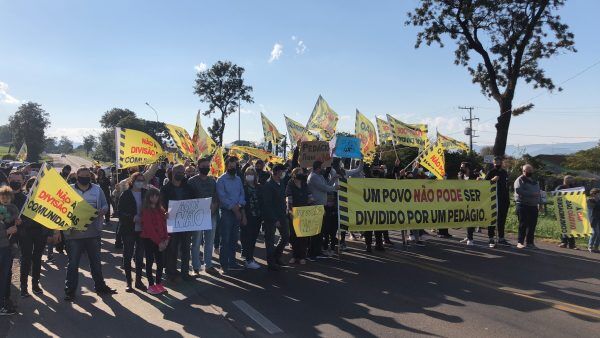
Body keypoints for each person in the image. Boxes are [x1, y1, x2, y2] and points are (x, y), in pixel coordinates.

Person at [64, 167, 116, 301]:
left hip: (93, 233)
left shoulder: (97, 189)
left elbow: (105, 205)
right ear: (77, 177)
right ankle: (70, 291)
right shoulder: (69, 189)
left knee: (96, 263)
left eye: (88, 175)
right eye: (82, 176)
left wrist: (102, 211)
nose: (85, 177)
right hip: (74, 234)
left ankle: (100, 286)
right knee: (73, 264)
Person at [8, 172, 48, 298]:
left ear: (23, 181)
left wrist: (23, 221)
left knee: (37, 259)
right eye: (13, 180)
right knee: (25, 260)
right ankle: (23, 287)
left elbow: (39, 216)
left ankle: (35, 284)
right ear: (8, 180)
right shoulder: (5, 197)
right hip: (23, 235)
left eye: (18, 180)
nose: (16, 182)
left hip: (38, 233)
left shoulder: (28, 198)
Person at [160, 164, 195, 282]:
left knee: (186, 249)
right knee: (172, 249)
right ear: (172, 173)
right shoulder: (165, 189)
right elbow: (161, 205)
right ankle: (171, 272)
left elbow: (194, 203)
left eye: (182, 171)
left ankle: (185, 272)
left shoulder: (189, 188)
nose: (181, 173)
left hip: (186, 224)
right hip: (172, 224)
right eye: (178, 171)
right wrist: (164, 213)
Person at [188, 157, 219, 275]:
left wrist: (213, 207)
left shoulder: (212, 181)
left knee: (209, 241)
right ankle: (195, 266)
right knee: (196, 241)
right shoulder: (192, 181)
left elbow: (216, 196)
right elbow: (189, 198)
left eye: (208, 166)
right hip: (197, 216)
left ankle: (208, 265)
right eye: (203, 166)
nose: (206, 168)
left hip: (212, 215)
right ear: (198, 167)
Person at [117, 172, 147, 292]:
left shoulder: (146, 194)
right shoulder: (126, 194)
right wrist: (132, 218)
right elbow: (120, 212)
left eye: (142, 180)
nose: (140, 182)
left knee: (139, 257)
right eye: (138, 180)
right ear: (132, 181)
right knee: (128, 256)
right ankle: (129, 282)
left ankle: (138, 281)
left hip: (142, 230)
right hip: (128, 229)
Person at [216, 157, 246, 273]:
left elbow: (242, 194)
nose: (233, 168)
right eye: (231, 165)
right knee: (225, 239)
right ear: (227, 166)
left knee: (234, 239)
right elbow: (222, 198)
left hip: (236, 212)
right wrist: (235, 208)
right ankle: (224, 265)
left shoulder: (238, 179)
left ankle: (232, 262)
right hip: (227, 212)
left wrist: (239, 206)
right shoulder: (221, 180)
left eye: (235, 166)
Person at [140, 187, 169, 294]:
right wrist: (160, 242)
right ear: (148, 197)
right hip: (149, 239)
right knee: (150, 262)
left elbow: (164, 225)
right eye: (152, 196)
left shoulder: (160, 209)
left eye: (157, 196)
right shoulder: (146, 210)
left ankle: (158, 283)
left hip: (161, 240)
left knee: (160, 262)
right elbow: (149, 229)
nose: (155, 198)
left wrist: (166, 238)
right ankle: (151, 285)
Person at [261, 164, 289, 270]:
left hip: (282, 215)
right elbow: (267, 205)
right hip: (271, 217)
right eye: (282, 171)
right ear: (276, 172)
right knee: (270, 240)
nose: (283, 173)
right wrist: (274, 219)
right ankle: (271, 262)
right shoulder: (268, 185)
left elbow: (282, 198)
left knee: (286, 236)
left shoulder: (281, 182)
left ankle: (277, 256)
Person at [307, 161, 336, 260]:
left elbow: (327, 184)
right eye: (322, 167)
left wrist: (334, 179)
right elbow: (324, 188)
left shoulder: (320, 176)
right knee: (315, 232)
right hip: (315, 206)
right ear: (318, 168)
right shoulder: (313, 176)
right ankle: (311, 254)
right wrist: (334, 188)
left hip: (321, 206)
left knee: (320, 231)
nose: (324, 169)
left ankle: (317, 251)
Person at [286, 167, 312, 264]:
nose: (302, 174)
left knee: (303, 235)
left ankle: (302, 257)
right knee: (294, 235)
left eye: (302, 173)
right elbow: (289, 198)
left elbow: (309, 196)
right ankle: (294, 255)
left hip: (304, 212)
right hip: (294, 212)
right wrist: (290, 211)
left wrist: (313, 206)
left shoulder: (305, 183)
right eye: (299, 173)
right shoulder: (290, 183)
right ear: (294, 174)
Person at [0, 186, 19, 315]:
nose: (4, 199)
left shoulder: (14, 209)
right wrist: (7, 231)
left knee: (6, 276)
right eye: (2, 196)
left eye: (7, 196)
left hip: (8, 247)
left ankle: (5, 301)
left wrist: (18, 223)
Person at [485, 156, 511, 247]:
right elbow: (485, 184)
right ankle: (491, 238)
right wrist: (492, 180)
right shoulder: (491, 172)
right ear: (493, 162)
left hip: (504, 198)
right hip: (494, 198)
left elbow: (507, 185)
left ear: (501, 162)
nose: (497, 163)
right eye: (495, 161)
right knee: (492, 219)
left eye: (499, 161)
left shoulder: (504, 172)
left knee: (502, 219)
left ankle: (501, 237)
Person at [514, 164, 541, 249]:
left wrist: (540, 203)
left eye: (531, 171)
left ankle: (530, 243)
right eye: (528, 171)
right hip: (523, 205)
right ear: (523, 171)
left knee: (532, 225)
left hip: (533, 206)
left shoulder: (534, 181)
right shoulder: (520, 180)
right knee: (523, 224)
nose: (529, 172)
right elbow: (518, 190)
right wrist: (532, 194)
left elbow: (539, 192)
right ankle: (520, 242)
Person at [241, 167, 262, 269]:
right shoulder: (243, 188)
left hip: (257, 216)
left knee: (254, 238)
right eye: (247, 174)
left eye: (252, 174)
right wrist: (243, 216)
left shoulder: (259, 187)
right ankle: (248, 260)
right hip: (248, 216)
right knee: (248, 238)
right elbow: (242, 204)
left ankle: (250, 257)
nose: (250, 176)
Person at [555, 175, 579, 249]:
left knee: (572, 226)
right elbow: (556, 195)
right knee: (564, 226)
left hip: (571, 210)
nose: (572, 182)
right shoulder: (560, 187)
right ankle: (564, 242)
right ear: (566, 180)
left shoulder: (573, 188)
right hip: (563, 209)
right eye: (571, 180)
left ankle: (572, 244)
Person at [458, 162, 477, 246]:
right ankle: (468, 236)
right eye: (461, 167)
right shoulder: (461, 176)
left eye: (463, 167)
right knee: (466, 218)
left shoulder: (474, 176)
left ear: (468, 168)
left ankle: (470, 238)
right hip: (463, 200)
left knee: (471, 219)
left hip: (473, 201)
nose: (461, 168)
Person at [587, 188, 600, 253]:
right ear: (594, 194)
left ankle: (596, 247)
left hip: (599, 218)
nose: (599, 194)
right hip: (593, 218)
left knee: (599, 234)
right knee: (595, 232)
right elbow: (592, 207)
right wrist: (597, 200)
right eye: (598, 193)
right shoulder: (590, 200)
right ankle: (590, 246)